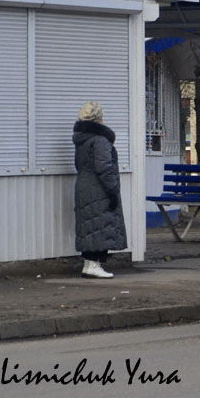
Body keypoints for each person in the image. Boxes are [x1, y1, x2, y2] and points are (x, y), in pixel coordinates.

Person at [73, 101, 126, 279]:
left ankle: (89, 265)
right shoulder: (100, 140)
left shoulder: (82, 140)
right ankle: (95, 265)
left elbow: (78, 165)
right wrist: (112, 191)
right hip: (99, 189)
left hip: (83, 186)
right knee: (101, 225)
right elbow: (104, 168)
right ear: (99, 119)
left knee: (89, 227)